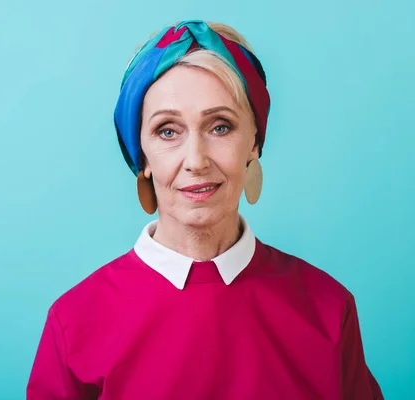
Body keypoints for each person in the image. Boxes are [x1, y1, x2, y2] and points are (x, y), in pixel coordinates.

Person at [26, 20, 384, 399]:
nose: (195, 160)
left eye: (220, 127)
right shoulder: (74, 322)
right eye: (168, 131)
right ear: (141, 154)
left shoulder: (328, 307)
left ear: (254, 144)